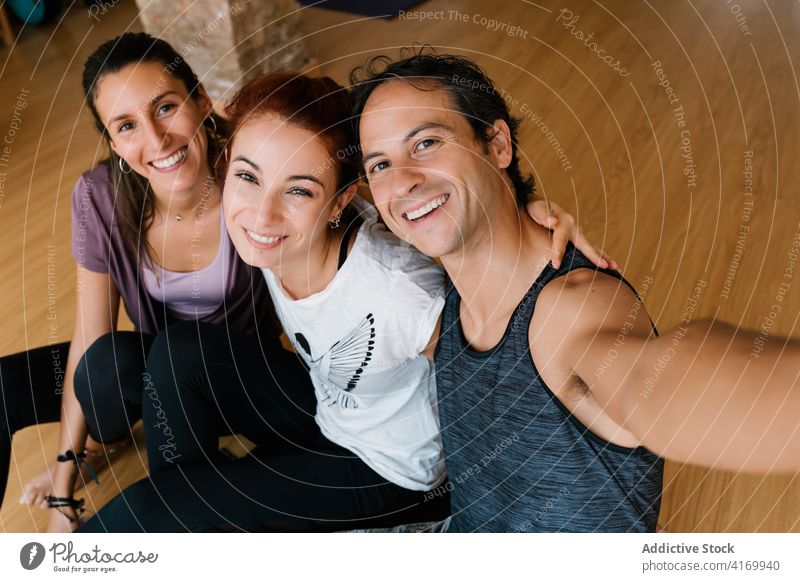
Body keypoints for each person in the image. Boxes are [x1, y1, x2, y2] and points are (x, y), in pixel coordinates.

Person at [77, 71, 607, 532]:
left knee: (160, 505)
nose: (261, 215)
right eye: (246, 177)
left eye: (300, 191)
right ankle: (201, 526)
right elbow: (169, 135)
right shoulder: (245, 210)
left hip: (391, 472)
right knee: (177, 355)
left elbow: (505, 383)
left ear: (340, 200)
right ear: (226, 167)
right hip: (328, 408)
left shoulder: (399, 291)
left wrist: (521, 218)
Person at [350, 51, 800, 532]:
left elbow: (660, 381)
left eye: (426, 143)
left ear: (497, 143)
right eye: (379, 165)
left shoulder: (569, 311)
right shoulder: (448, 288)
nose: (401, 182)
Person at [0, 32, 284, 531]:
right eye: (127, 125)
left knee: (177, 352)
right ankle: (101, 444)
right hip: (158, 375)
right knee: (81, 368)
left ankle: (197, 494)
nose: (156, 141)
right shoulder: (99, 197)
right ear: (112, 141)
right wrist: (65, 490)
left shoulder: (249, 174)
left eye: (167, 107)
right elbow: (91, 339)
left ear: (200, 99)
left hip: (239, 377)